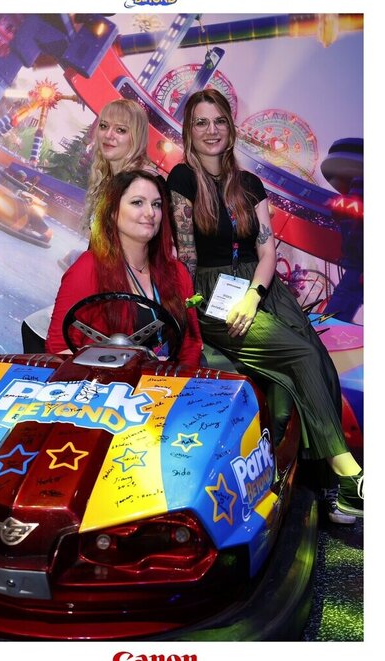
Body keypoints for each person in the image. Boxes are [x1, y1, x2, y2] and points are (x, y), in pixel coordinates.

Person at [166, 88, 363, 520]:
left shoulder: (250, 185)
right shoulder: (181, 179)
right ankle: (350, 476)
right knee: (300, 355)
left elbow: (267, 251)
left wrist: (254, 295)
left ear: (230, 127)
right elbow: (186, 256)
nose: (211, 130)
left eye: (219, 121)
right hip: (212, 291)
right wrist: (194, 312)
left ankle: (321, 487)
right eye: (201, 122)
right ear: (189, 131)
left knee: (319, 362)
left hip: (261, 285)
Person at [46, 170, 202, 368]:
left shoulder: (178, 273)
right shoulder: (88, 268)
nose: (150, 213)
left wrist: (176, 378)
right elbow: (58, 348)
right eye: (138, 202)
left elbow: (191, 345)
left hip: (165, 384)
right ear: (113, 211)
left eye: (156, 204)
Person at [59, 98, 163, 269]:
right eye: (104, 126)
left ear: (136, 137)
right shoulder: (110, 177)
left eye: (120, 130)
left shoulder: (144, 182)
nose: (108, 135)